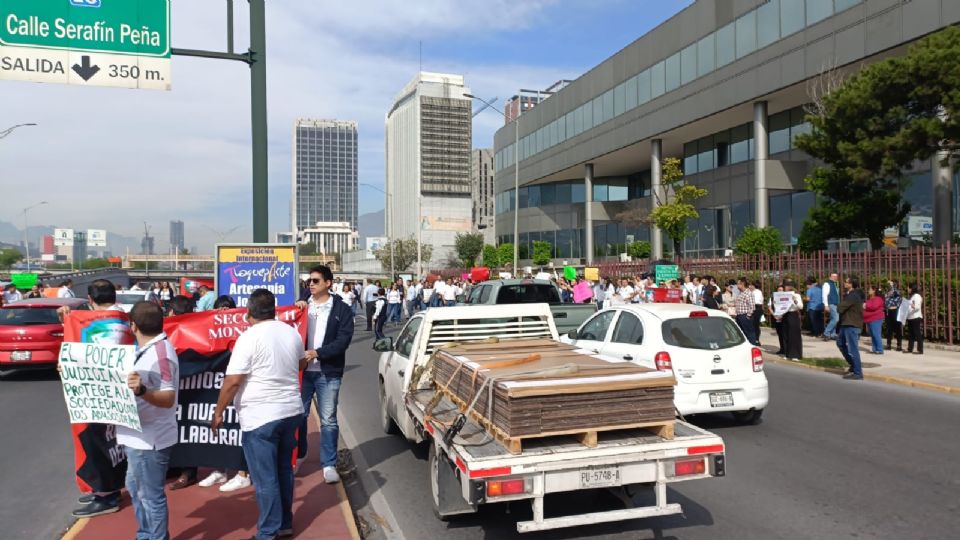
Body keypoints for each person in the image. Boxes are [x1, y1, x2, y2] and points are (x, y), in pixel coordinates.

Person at [212, 289, 305, 540]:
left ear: (248, 313)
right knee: (284, 470)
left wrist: (218, 411)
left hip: (260, 417)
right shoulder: (292, 333)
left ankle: (267, 532)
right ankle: (284, 524)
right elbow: (300, 363)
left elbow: (232, 382)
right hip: (291, 411)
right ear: (273, 309)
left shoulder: (248, 338)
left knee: (265, 479)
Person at [57, 279, 125, 518]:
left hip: (94, 396)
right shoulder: (126, 319)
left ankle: (106, 495)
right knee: (113, 445)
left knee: (95, 444)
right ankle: (106, 488)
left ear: (90, 299)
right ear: (114, 296)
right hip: (118, 396)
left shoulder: (88, 321)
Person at [120, 301, 179, 540]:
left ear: (132, 325)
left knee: (150, 496)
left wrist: (142, 391)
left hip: (150, 440)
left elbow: (168, 398)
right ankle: (146, 534)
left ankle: (154, 537)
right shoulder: (145, 351)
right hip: (136, 436)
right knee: (136, 489)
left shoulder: (161, 353)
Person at [295, 265, 355, 484]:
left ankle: (329, 464)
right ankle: (298, 456)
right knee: (298, 417)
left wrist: (317, 353)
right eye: (309, 281)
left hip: (328, 373)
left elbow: (343, 341)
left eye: (316, 281)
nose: (311, 284)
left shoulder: (342, 310)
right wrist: (299, 307)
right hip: (302, 373)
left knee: (328, 420)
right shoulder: (302, 307)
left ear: (328, 283)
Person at [198, 295, 252, 493]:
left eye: (227, 310)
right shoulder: (208, 328)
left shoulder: (245, 330)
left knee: (239, 430)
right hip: (214, 385)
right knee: (218, 429)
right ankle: (219, 470)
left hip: (236, 386)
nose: (223, 314)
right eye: (219, 310)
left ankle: (242, 473)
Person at [836, 276, 865, 379]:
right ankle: (853, 365)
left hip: (852, 325)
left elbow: (840, 308)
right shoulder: (849, 295)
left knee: (853, 349)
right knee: (840, 343)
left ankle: (858, 372)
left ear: (851, 284)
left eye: (846, 282)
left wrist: (839, 307)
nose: (844, 283)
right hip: (846, 324)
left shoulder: (853, 296)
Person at [779, 280, 804, 361]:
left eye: (786, 286)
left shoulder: (796, 295)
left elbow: (800, 306)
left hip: (793, 315)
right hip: (785, 315)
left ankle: (796, 355)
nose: (785, 288)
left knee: (794, 335)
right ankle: (787, 354)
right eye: (784, 286)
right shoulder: (782, 295)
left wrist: (795, 300)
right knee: (786, 335)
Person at [734, 277, 759, 346]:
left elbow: (752, 306)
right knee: (742, 333)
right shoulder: (741, 293)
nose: (737, 286)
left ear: (742, 284)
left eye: (738, 284)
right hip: (739, 315)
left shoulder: (748, 293)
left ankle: (752, 346)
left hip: (745, 316)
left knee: (749, 333)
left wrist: (748, 316)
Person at [863, 284, 885, 355]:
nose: (868, 291)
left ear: (874, 291)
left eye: (870, 289)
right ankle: (875, 349)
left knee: (876, 334)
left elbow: (874, 307)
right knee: (872, 334)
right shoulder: (870, 299)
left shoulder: (878, 298)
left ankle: (879, 349)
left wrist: (865, 305)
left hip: (876, 319)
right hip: (870, 319)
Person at [884, 280, 903, 351]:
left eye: (890, 284)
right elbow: (885, 300)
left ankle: (899, 345)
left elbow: (895, 293)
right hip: (888, 311)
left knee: (898, 328)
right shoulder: (887, 292)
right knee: (889, 328)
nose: (888, 285)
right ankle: (888, 344)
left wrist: (892, 285)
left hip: (896, 311)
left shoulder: (897, 292)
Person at [767, 284, 786, 355]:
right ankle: (782, 349)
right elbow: (769, 306)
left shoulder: (785, 298)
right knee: (779, 334)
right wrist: (774, 314)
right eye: (779, 290)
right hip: (776, 317)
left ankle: (786, 349)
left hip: (784, 317)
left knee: (785, 334)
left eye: (781, 290)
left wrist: (782, 315)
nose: (780, 291)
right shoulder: (772, 297)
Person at [905, 282, 924, 355]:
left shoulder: (917, 296)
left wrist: (912, 306)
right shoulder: (912, 296)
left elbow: (917, 307)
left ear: (912, 288)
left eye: (908, 288)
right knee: (911, 334)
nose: (907, 289)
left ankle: (920, 349)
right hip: (911, 317)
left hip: (915, 317)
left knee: (917, 333)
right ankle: (910, 348)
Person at [822, 272, 841, 340]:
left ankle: (833, 334)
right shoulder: (827, 284)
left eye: (836, 276)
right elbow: (824, 295)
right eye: (833, 276)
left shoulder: (836, 284)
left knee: (833, 319)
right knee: (836, 319)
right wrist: (826, 305)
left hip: (836, 303)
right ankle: (826, 333)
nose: (835, 277)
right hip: (831, 303)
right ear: (830, 277)